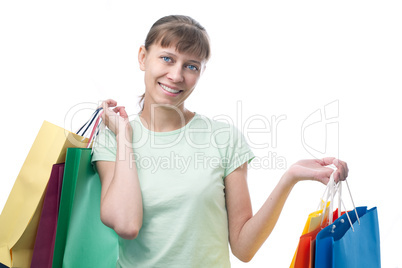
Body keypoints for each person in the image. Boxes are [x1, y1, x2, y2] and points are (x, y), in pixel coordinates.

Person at [91, 15, 349, 267]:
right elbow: (127, 225)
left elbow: (244, 248)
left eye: (191, 66)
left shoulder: (223, 139)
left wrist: (289, 178)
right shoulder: (113, 139)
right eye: (167, 58)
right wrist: (124, 135)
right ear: (142, 57)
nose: (176, 75)